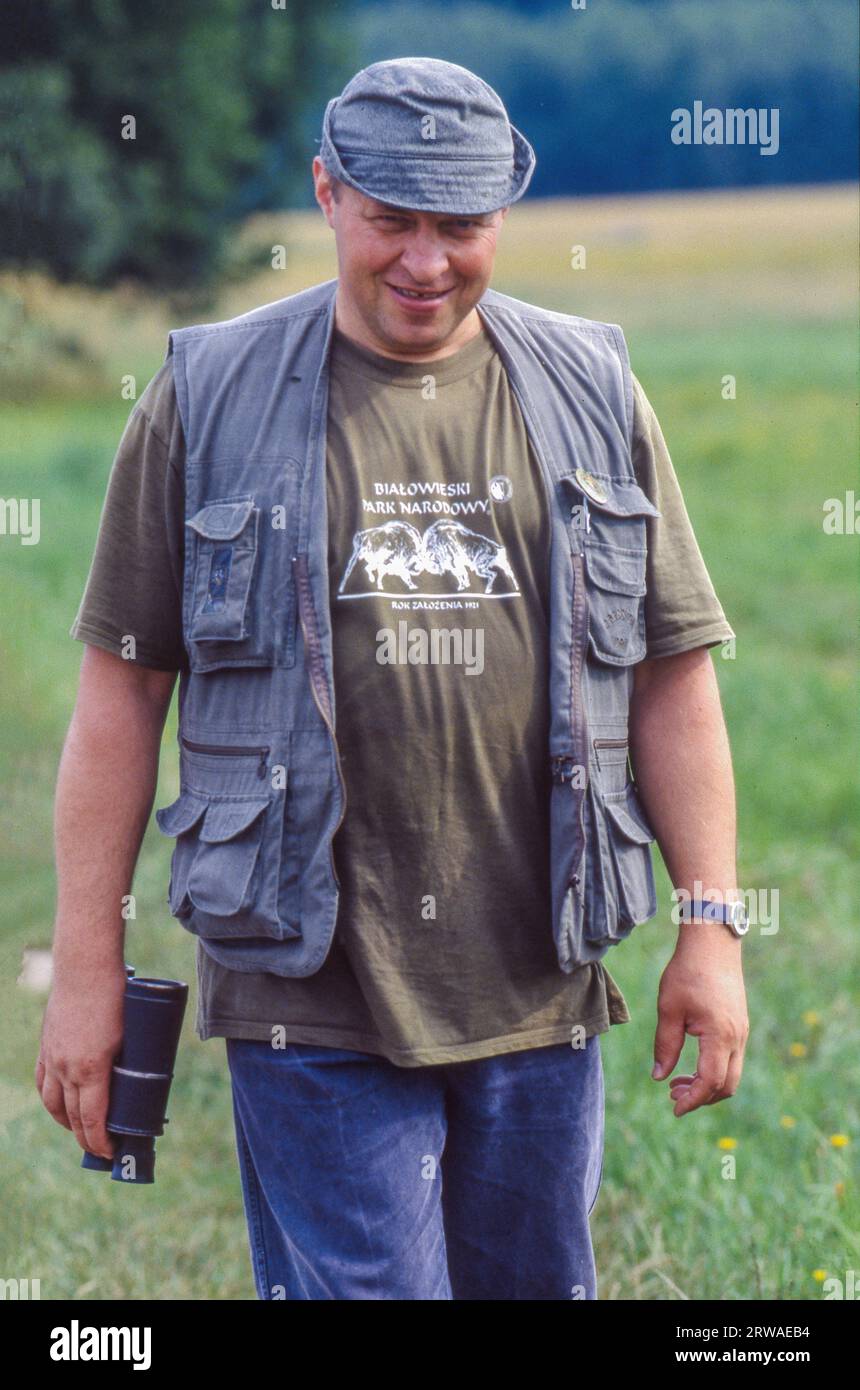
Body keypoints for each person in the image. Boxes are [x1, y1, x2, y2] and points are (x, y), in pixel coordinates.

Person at [36, 57, 749, 1301]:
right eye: (391, 222)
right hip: (304, 981)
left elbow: (671, 676)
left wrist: (713, 931)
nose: (425, 262)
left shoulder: (588, 389)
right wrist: (86, 964)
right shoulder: (206, 397)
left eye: (459, 227)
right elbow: (120, 699)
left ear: (501, 219)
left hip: (535, 977)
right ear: (326, 193)